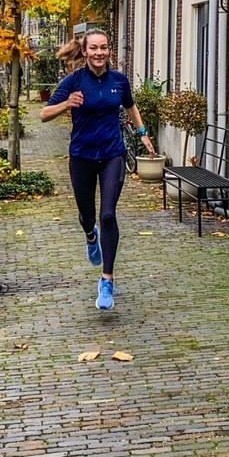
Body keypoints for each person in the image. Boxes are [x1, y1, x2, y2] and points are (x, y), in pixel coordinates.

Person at [39, 29, 155, 311]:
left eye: (103, 48)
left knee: (108, 215)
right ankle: (90, 237)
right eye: (94, 48)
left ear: (108, 50)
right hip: (82, 157)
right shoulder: (74, 81)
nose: (99, 53)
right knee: (87, 215)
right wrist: (67, 103)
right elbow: (44, 114)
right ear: (86, 51)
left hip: (112, 154)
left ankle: (107, 279)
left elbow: (131, 106)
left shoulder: (119, 81)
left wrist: (141, 132)